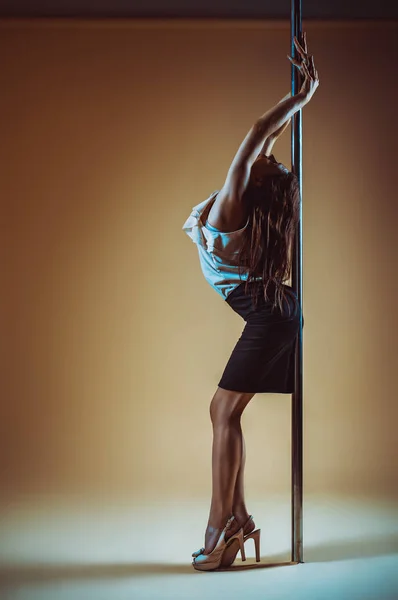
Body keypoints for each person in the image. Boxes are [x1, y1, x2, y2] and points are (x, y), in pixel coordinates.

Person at [182, 33, 319, 571]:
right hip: (278, 312)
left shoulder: (233, 202)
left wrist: (303, 98)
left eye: (268, 164)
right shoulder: (249, 206)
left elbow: (257, 133)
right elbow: (265, 142)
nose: (265, 157)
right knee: (227, 413)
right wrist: (299, 96)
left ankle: (219, 530)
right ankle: (237, 519)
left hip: (271, 316)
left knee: (221, 411)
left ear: (256, 184)